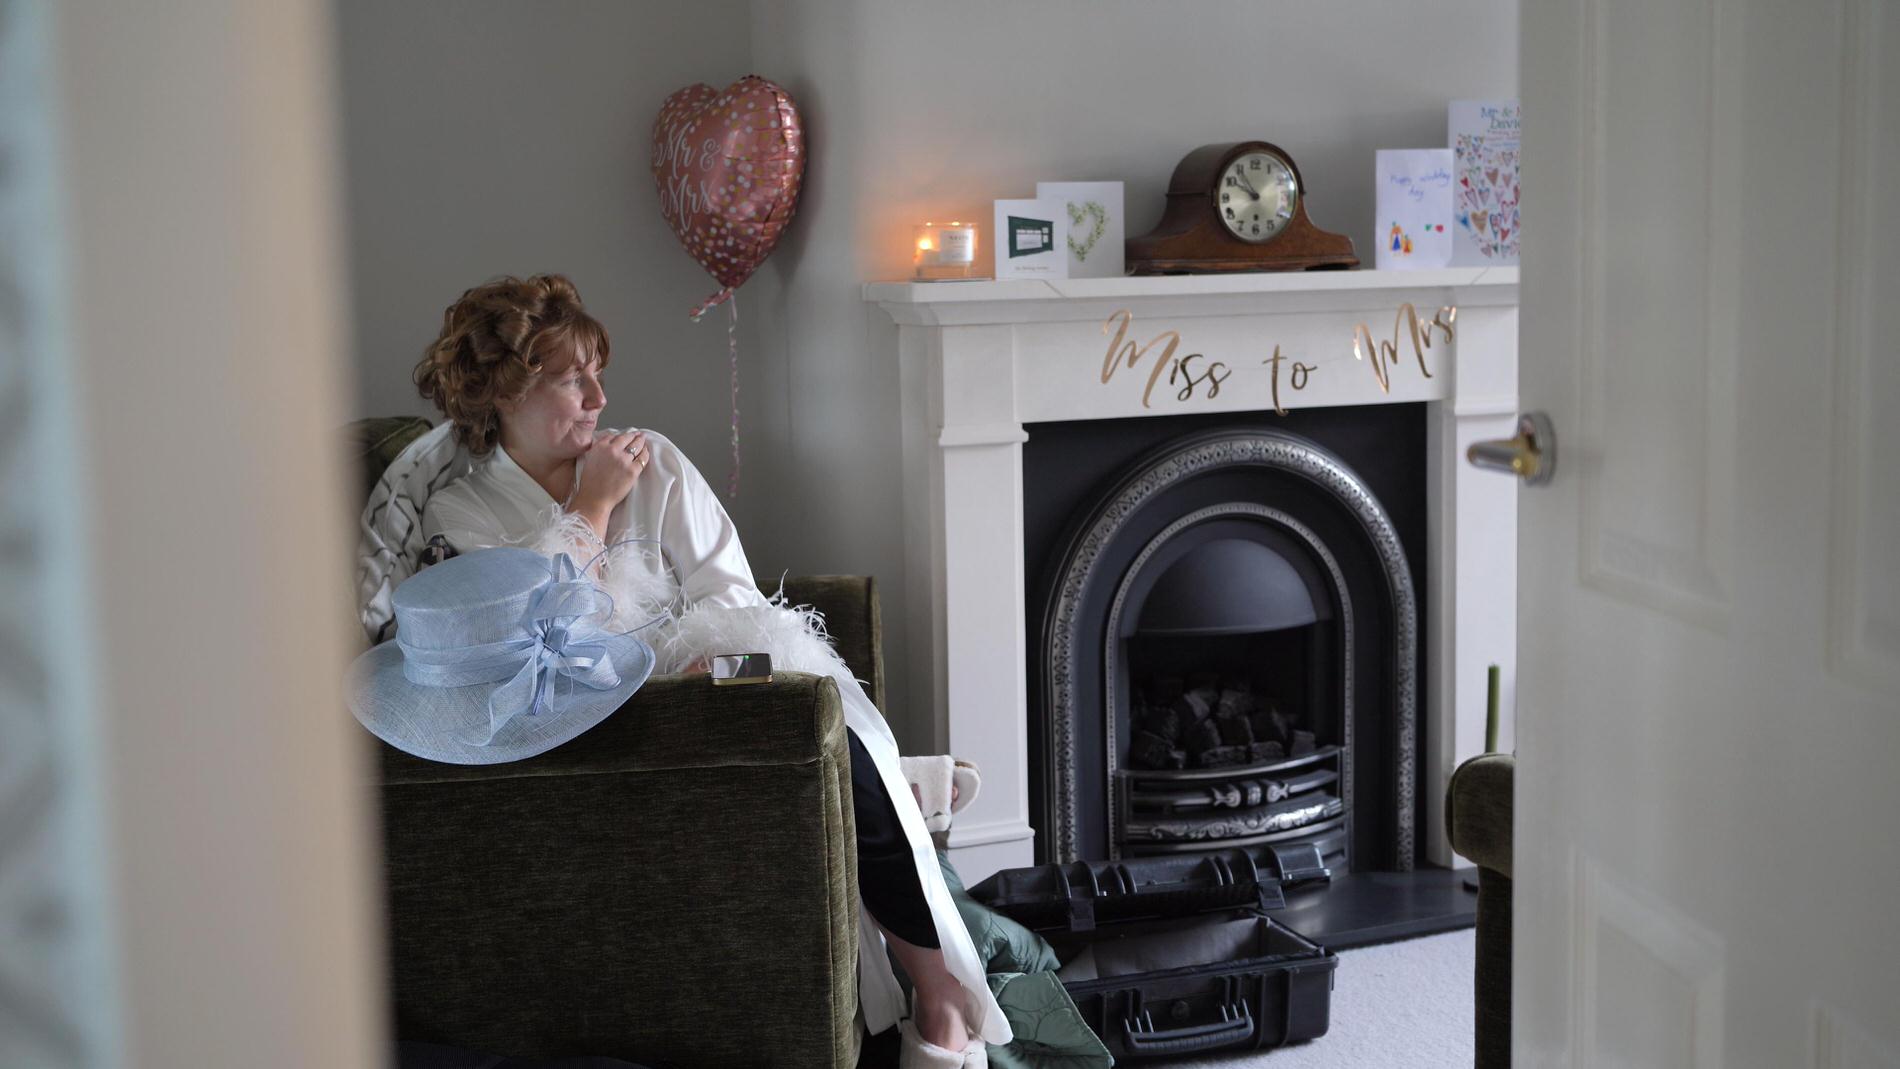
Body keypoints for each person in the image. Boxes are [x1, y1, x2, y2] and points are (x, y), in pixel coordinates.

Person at [410, 274, 1006, 1066]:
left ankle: (938, 993)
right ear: (505, 392)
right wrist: (590, 507)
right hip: (594, 726)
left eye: (598, 370)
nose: (597, 395)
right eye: (570, 377)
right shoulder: (463, 513)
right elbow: (528, 638)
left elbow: (736, 600)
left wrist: (711, 664)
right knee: (834, 751)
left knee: (821, 715)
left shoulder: (651, 459)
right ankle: (914, 797)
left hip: (717, 684)